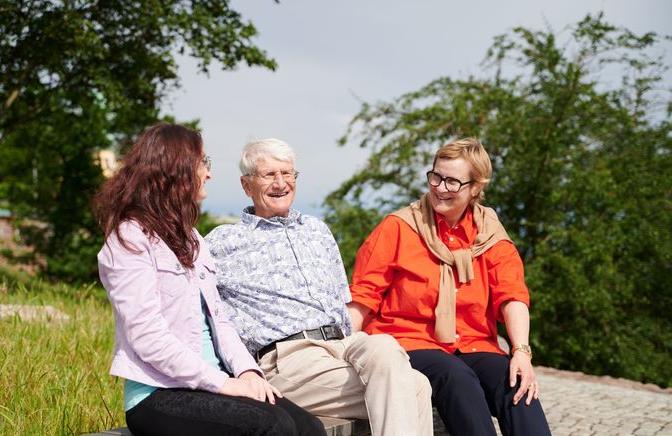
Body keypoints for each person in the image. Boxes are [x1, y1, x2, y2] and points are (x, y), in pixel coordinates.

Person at [93, 124, 325, 436]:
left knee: (309, 427)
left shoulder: (192, 240)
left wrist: (247, 371)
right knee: (273, 426)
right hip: (159, 393)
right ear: (177, 171)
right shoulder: (129, 239)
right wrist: (224, 383)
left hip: (211, 384)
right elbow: (147, 338)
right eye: (204, 163)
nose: (209, 174)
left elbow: (220, 321)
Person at [205, 138, 434, 436]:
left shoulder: (317, 230)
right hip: (288, 358)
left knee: (385, 346)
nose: (281, 183)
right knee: (416, 386)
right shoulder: (222, 242)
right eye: (269, 175)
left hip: (341, 344)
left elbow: (341, 298)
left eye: (288, 174)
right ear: (247, 185)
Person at [349, 137, 551, 436]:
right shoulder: (399, 227)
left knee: (515, 382)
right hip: (411, 341)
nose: (440, 188)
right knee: (457, 377)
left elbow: (512, 296)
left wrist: (521, 352)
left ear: (476, 187)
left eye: (452, 182)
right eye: (436, 177)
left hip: (474, 342)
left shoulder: (490, 233)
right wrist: (342, 348)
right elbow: (364, 294)